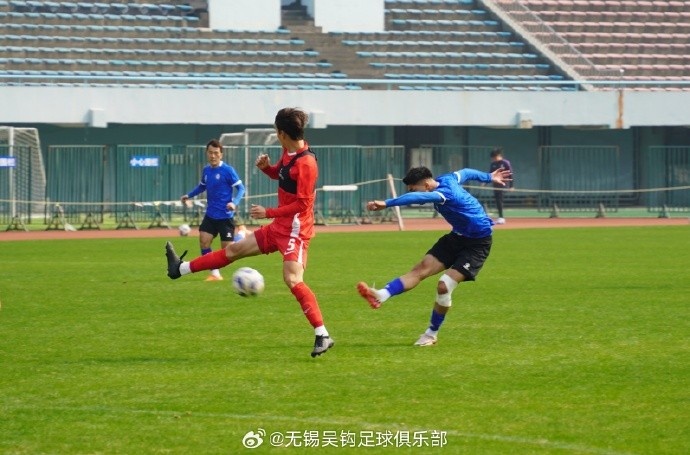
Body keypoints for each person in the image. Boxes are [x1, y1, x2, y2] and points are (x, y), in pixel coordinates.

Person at [165, 107, 334, 358]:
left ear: (282, 133)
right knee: (234, 250)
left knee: (292, 279)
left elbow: (303, 204)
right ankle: (179, 269)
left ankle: (322, 334)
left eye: (276, 131)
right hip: (279, 226)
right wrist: (267, 169)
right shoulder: (288, 152)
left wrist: (268, 212)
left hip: (295, 231)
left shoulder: (307, 163)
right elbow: (282, 175)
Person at [357, 165, 511, 347]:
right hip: (456, 238)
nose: (413, 193)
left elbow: (417, 197)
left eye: (413, 188)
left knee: (444, 286)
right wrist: (489, 177)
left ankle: (431, 334)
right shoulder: (449, 178)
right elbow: (467, 172)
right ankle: (381, 295)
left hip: (477, 245)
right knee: (419, 270)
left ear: (426, 185)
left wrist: (387, 203)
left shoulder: (443, 193)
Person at [181, 139, 246, 281]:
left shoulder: (228, 170)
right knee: (204, 241)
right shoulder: (206, 170)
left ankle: (240, 235)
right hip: (210, 215)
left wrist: (234, 203)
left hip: (225, 216)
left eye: (216, 153)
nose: (213, 156)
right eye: (210, 153)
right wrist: (188, 195)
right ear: (207, 153)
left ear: (221, 154)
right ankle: (215, 274)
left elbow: (241, 188)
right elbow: (202, 186)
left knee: (227, 252)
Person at [489, 147, 514, 224]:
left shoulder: (505, 163)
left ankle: (501, 217)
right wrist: (484, 182)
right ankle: (500, 217)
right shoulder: (493, 164)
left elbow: (510, 174)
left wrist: (511, 186)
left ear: (498, 155)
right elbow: (490, 174)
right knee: (497, 200)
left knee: (499, 199)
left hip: (503, 184)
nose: (493, 159)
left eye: (494, 157)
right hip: (495, 184)